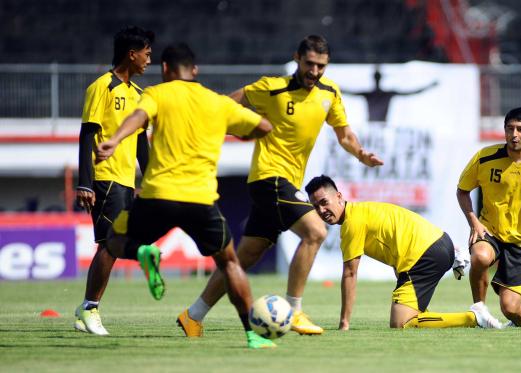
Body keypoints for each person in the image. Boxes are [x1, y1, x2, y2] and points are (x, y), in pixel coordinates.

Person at [178, 35, 383, 337]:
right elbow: (226, 105)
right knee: (316, 231)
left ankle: (192, 316)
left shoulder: (329, 93)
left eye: (321, 66)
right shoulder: (271, 88)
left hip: (284, 182)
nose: (315, 71)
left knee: (243, 257)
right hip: (269, 178)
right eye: (310, 64)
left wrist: (361, 154)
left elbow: (344, 134)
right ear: (297, 58)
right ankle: (295, 311)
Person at [95, 43, 276, 349]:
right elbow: (264, 126)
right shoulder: (218, 102)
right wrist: (240, 131)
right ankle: (254, 335)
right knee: (230, 263)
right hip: (201, 200)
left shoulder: (156, 93)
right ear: (195, 70)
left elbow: (139, 116)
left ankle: (142, 252)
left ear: (165, 68)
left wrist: (114, 140)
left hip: (157, 196)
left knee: (112, 241)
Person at [304, 175, 491, 329]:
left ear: (338, 196)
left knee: (401, 322)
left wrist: (344, 323)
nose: (321, 210)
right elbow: (396, 238)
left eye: (324, 202)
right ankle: (433, 315)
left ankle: (473, 318)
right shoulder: (361, 211)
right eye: (315, 206)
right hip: (438, 243)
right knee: (410, 316)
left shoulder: (352, 223)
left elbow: (350, 274)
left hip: (425, 254)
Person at [74, 25, 154, 336]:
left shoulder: (139, 95)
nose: (149, 60)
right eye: (146, 54)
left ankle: (86, 308)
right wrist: (84, 182)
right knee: (109, 244)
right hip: (104, 179)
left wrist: (149, 178)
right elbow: (87, 134)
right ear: (131, 54)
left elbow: (142, 143)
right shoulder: (102, 87)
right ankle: (90, 309)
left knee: (114, 245)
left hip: (125, 181)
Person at [456, 107, 521, 328]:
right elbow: (462, 190)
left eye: (520, 129)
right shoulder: (485, 158)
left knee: (510, 309)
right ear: (504, 131)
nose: (514, 134)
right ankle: (479, 309)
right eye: (510, 129)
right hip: (489, 231)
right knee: (481, 257)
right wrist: (474, 221)